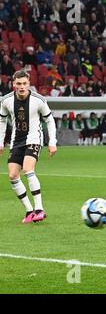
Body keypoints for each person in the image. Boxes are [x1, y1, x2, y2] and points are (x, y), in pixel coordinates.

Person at [0, 70, 57, 223]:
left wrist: (52, 142)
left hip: (34, 139)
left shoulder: (39, 100)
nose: (22, 87)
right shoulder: (6, 101)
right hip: (16, 141)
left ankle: (39, 209)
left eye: (24, 83)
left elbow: (50, 121)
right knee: (12, 175)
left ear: (29, 84)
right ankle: (29, 211)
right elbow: (2, 121)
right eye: (18, 84)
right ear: (13, 84)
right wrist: (0, 142)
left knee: (28, 169)